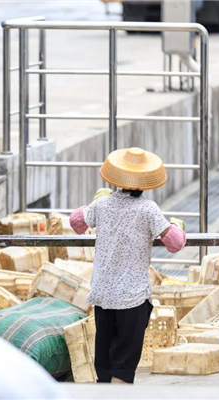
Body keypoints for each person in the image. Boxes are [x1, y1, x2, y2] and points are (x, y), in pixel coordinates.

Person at [69, 147, 186, 384]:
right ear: (145, 183)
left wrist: (94, 203)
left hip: (103, 296)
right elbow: (174, 243)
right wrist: (176, 226)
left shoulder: (102, 206)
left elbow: (76, 222)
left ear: (117, 180)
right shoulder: (148, 209)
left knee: (105, 364)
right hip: (132, 299)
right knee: (122, 367)